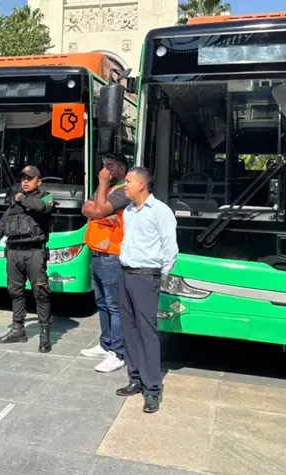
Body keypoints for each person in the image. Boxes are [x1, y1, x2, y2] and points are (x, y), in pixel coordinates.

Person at [116, 166, 178, 414]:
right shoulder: (129, 211)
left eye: (129, 181)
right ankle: (135, 379)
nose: (125, 185)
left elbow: (170, 250)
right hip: (125, 274)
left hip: (145, 277)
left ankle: (152, 390)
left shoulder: (160, 211)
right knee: (128, 331)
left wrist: (158, 278)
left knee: (147, 333)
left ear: (142, 184)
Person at [0, 165, 55, 353]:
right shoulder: (15, 201)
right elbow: (3, 222)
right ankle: (18, 329)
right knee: (15, 291)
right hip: (14, 252)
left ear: (38, 181)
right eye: (23, 178)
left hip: (34, 252)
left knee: (41, 293)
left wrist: (22, 198)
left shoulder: (45, 197)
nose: (25, 181)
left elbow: (40, 207)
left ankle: (45, 336)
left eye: (29, 178)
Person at [80, 153, 130, 373]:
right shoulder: (107, 190)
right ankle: (105, 343)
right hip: (97, 251)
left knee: (114, 304)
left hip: (112, 254)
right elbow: (86, 208)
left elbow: (96, 209)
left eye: (110, 166)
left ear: (121, 169)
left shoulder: (122, 190)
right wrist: (100, 214)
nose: (105, 170)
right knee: (101, 302)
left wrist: (100, 185)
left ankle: (117, 352)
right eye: (104, 166)